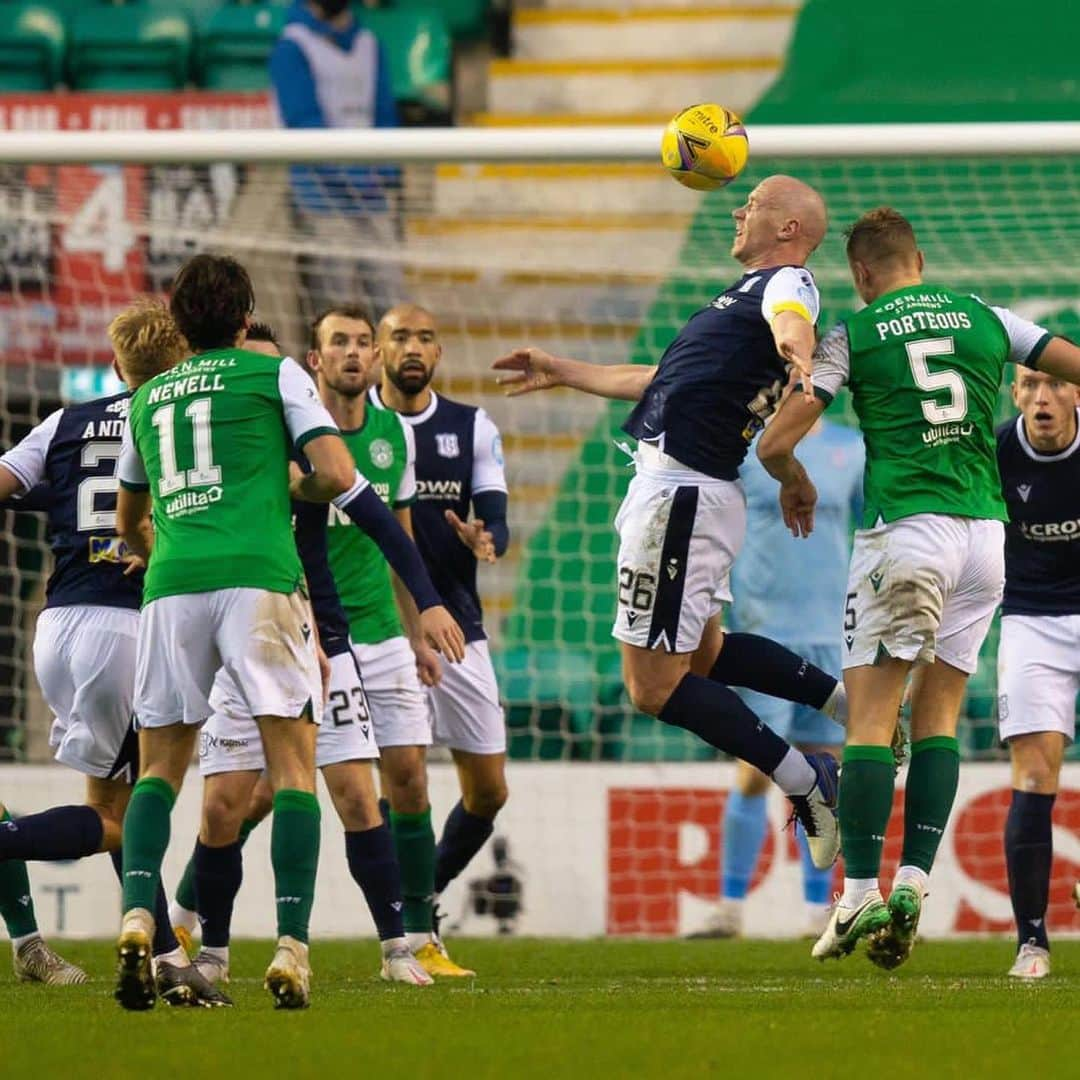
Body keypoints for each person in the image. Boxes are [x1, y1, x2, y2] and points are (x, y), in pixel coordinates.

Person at [756, 206, 1080, 968]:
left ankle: (861, 885)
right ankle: (914, 879)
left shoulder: (854, 336)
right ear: (920, 259)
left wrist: (791, 475)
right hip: (986, 538)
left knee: (870, 719)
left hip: (907, 532)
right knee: (938, 718)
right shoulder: (987, 319)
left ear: (862, 275)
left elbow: (776, 437)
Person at [494, 175, 850, 867]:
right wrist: (561, 368)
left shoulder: (787, 287)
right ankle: (846, 701)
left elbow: (791, 316)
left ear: (788, 230)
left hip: (681, 496)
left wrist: (795, 350)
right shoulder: (737, 302)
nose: (739, 210)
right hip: (685, 492)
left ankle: (808, 783)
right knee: (707, 657)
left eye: (755, 205)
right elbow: (659, 379)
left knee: (651, 686)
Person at [168, 320, 457, 988]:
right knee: (228, 805)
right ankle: (205, 941)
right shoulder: (221, 467)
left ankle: (394, 948)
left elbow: (383, 519)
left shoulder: (311, 455)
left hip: (322, 631)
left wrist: (426, 605)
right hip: (239, 635)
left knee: (359, 793)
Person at [113, 254, 365, 1011]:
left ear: (180, 321)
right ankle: (290, 946)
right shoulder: (277, 375)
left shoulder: (148, 395)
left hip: (173, 585)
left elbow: (129, 523)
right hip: (260, 580)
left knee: (159, 768)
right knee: (291, 768)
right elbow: (337, 470)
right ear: (246, 315)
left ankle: (136, 916)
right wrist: (298, 486)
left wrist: (174, 551)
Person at [0, 300, 192, 992]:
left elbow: (7, 482)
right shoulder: (179, 419)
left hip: (57, 625)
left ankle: (165, 953)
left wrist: (54, 503)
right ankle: (6, 841)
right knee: (128, 811)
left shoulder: (65, 421)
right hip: (130, 626)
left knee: (110, 801)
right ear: (182, 360)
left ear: (116, 363)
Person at [306, 303, 474, 977]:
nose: (352, 353)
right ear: (315, 360)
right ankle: (192, 917)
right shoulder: (297, 436)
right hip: (315, 634)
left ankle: (416, 935)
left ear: (374, 359)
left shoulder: (390, 439)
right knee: (259, 794)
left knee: (408, 778)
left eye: (360, 343)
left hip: (380, 629)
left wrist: (417, 635)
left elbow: (397, 540)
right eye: (337, 342)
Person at [369, 304, 511, 946]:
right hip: (375, 628)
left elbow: (495, 519)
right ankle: (411, 918)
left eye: (426, 337)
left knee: (488, 792)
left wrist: (485, 535)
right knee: (403, 782)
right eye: (401, 336)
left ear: (440, 351)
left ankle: (421, 888)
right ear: (378, 350)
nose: (414, 347)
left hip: (455, 628)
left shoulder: (469, 426)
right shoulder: (350, 429)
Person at [694, 418, 862, 939]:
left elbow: (866, 531)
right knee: (752, 768)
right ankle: (728, 908)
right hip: (764, 632)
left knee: (825, 773)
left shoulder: (850, 448)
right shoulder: (748, 449)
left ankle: (819, 910)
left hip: (831, 632)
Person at [995, 366, 1080, 979]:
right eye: (1028, 385)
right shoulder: (996, 451)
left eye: (1054, 384)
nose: (1041, 398)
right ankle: (1032, 942)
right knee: (1033, 772)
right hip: (1031, 619)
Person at [269, 0, 403, 320]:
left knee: (393, 303)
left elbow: (385, 115)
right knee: (335, 311)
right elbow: (303, 123)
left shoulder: (370, 43)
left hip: (373, 199)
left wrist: (386, 173)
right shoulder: (291, 47)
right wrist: (356, 174)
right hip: (321, 201)